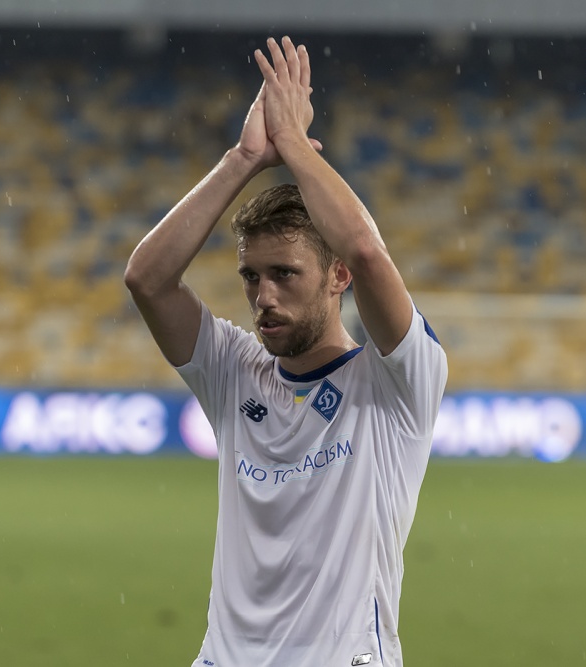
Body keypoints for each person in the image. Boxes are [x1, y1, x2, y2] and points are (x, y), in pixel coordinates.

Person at [124, 36, 448, 667]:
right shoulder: (233, 370)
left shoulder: (398, 381)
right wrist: (245, 158)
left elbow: (366, 250)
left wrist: (294, 146)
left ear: (337, 277)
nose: (263, 296)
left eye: (285, 274)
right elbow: (147, 280)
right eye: (251, 276)